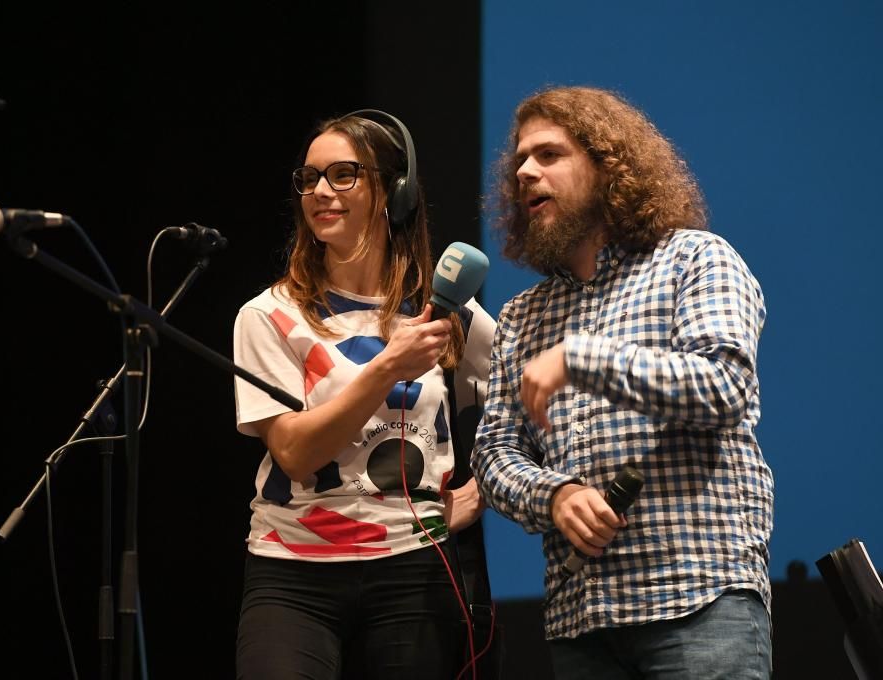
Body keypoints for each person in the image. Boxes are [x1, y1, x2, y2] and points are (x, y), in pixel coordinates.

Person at [471, 85, 773, 679]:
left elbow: (723, 387)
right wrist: (554, 496)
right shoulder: (522, 316)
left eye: (550, 155)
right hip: (583, 623)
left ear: (610, 168)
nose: (527, 172)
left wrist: (586, 359)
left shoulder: (694, 259)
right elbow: (494, 452)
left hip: (699, 602)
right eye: (521, 161)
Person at [233, 109, 496, 679]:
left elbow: (533, 400)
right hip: (292, 570)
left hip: (415, 569)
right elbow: (297, 454)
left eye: (343, 174)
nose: (320, 192)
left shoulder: (444, 312)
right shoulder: (268, 315)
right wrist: (387, 367)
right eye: (309, 179)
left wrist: (486, 489)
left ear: (392, 193)